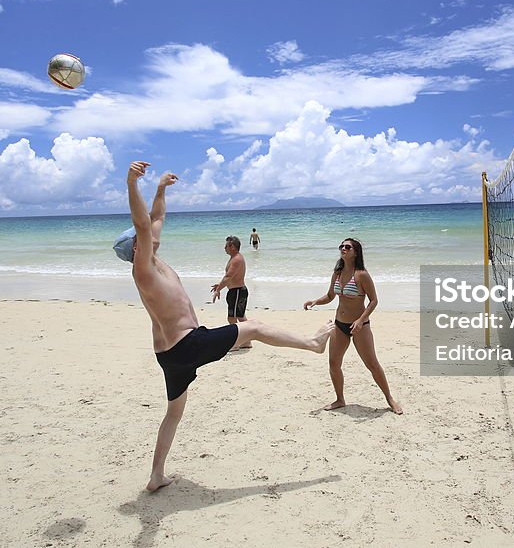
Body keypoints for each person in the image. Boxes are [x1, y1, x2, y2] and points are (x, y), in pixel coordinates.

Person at [115, 161, 333, 492]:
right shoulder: (143, 269)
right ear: (135, 248)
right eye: (141, 238)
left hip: (169, 353)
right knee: (255, 328)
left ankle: (156, 476)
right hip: (187, 344)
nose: (150, 235)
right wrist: (132, 183)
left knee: (174, 412)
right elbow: (143, 224)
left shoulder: (155, 259)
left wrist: (159, 189)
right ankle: (313, 343)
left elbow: (155, 220)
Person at [303, 238, 403, 415]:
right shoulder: (338, 272)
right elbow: (330, 296)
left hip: (360, 326)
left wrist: (360, 320)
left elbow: (373, 301)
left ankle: (389, 398)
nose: (343, 249)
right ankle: (340, 399)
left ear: (356, 252)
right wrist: (315, 301)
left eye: (347, 247)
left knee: (372, 364)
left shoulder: (361, 274)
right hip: (340, 324)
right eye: (341, 246)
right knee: (334, 363)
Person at [211, 236, 251, 349]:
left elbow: (229, 276)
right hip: (237, 291)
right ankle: (246, 341)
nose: (224, 248)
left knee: (232, 318)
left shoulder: (237, 259)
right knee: (240, 317)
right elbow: (229, 278)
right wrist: (219, 285)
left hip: (237, 291)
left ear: (232, 246)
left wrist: (219, 289)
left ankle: (236, 343)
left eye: (226, 245)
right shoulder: (235, 258)